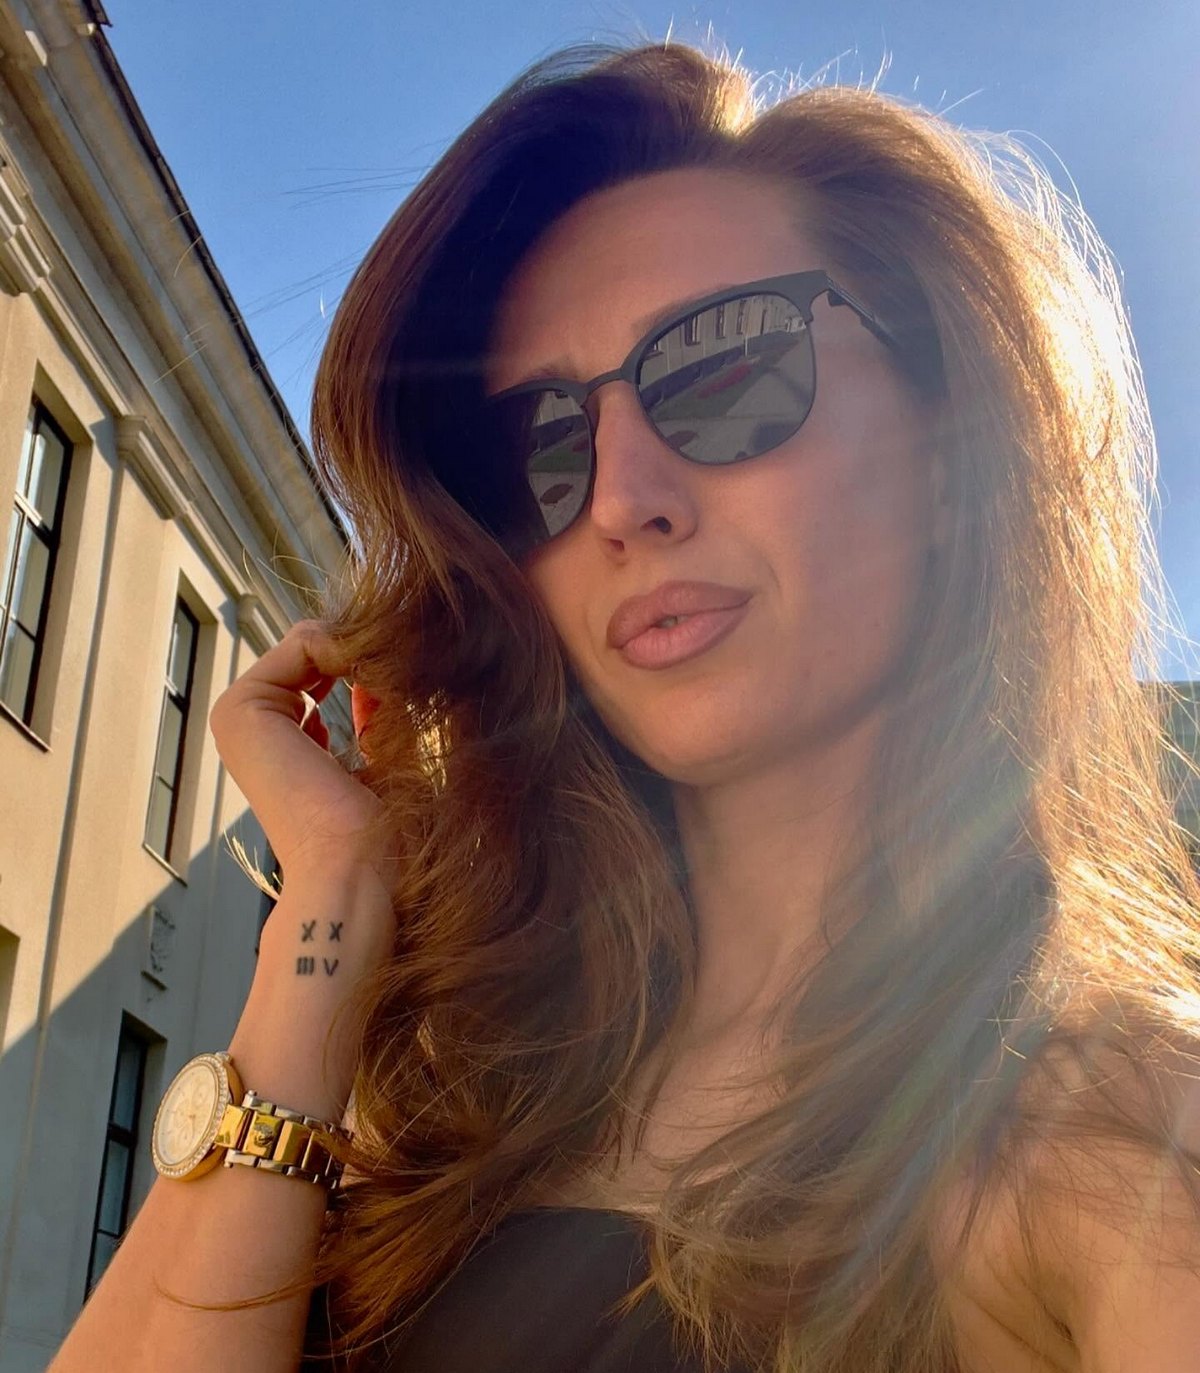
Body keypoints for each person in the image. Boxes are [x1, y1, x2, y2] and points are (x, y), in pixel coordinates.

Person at [52, 39, 1200, 1373]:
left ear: (953, 451)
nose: (617, 498)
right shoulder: (466, 1086)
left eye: (727, 369)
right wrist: (334, 896)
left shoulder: (1108, 1130)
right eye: (539, 445)